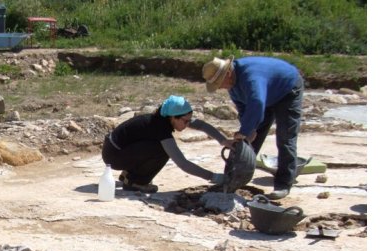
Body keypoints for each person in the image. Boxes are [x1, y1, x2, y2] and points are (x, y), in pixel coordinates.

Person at [202, 55, 304, 200]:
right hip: (266, 94)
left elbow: (256, 103)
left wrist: (245, 131)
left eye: (219, 83)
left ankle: (283, 184)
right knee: (247, 143)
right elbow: (244, 108)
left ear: (228, 73)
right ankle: (232, 178)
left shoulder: (251, 77)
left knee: (285, 139)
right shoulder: (233, 86)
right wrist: (248, 130)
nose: (220, 87)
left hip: (287, 89)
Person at [101, 95, 229, 194]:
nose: (188, 124)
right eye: (185, 121)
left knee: (157, 147)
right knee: (162, 150)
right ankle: (136, 182)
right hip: (114, 155)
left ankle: (128, 175)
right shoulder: (160, 127)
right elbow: (182, 163)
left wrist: (224, 141)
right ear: (173, 118)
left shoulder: (165, 118)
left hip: (117, 150)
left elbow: (200, 125)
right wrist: (215, 177)